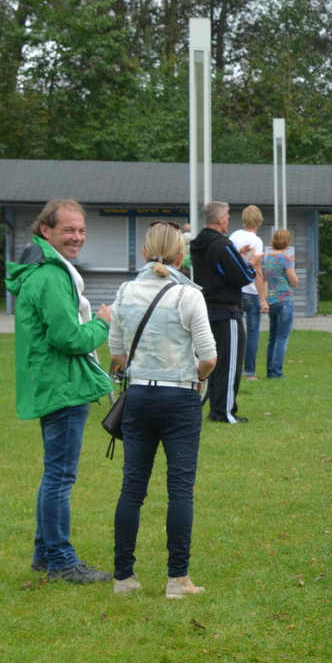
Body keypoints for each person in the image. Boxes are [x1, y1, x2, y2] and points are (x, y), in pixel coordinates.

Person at [7, 198, 115, 583]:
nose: (77, 237)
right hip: (63, 384)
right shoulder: (52, 275)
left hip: (52, 381)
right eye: (68, 229)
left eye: (82, 230)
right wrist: (103, 323)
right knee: (59, 477)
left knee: (54, 473)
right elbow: (68, 337)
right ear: (46, 231)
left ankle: (44, 554)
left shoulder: (40, 270)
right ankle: (63, 563)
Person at [108, 222, 217, 599]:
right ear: (180, 255)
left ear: (143, 253)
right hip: (179, 397)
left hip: (139, 397)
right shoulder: (188, 295)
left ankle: (123, 577)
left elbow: (117, 354)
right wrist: (198, 377)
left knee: (132, 487)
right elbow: (209, 356)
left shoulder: (125, 292)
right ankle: (177, 579)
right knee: (180, 490)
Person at [191, 201, 258, 424]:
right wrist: (251, 263)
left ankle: (216, 407)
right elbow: (244, 276)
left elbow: (216, 269)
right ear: (220, 219)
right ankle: (224, 412)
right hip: (226, 311)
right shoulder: (222, 244)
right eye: (227, 215)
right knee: (229, 364)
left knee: (212, 361)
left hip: (205, 310)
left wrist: (236, 256)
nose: (229, 219)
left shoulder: (199, 243)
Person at [229, 207, 267, 379]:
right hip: (250, 291)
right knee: (252, 332)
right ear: (259, 221)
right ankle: (249, 371)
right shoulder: (256, 241)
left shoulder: (234, 236)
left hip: (235, 289)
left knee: (234, 331)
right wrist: (262, 297)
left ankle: (232, 367)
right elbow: (257, 269)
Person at [261, 230, 298, 378]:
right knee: (282, 338)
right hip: (284, 301)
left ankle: (270, 370)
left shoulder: (268, 258)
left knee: (273, 338)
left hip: (271, 301)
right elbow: (294, 281)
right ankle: (277, 372)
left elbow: (267, 279)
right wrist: (291, 265)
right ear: (287, 242)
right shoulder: (285, 260)